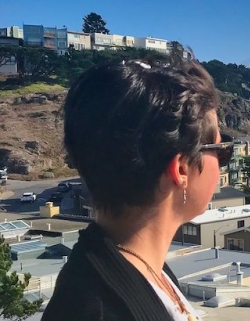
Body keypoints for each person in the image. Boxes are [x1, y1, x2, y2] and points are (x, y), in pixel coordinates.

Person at [42, 50, 233, 321]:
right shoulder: (97, 309)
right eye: (221, 148)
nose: (223, 161)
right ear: (181, 169)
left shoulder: (139, 271)